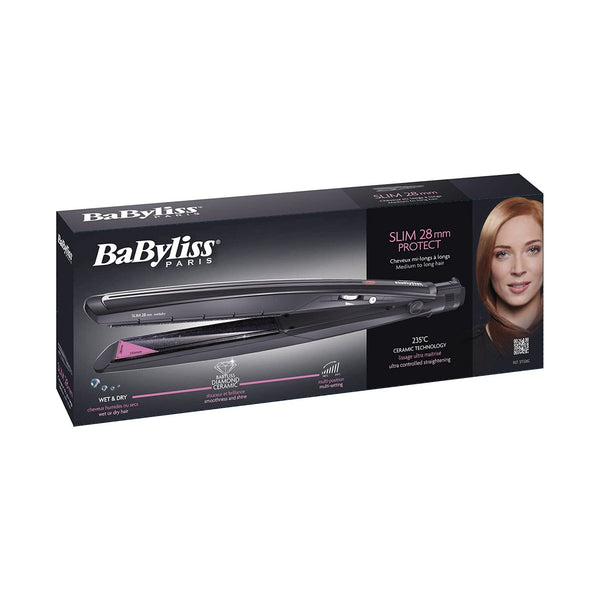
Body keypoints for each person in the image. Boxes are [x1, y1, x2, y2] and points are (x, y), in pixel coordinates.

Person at [473, 197, 543, 373]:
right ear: (486, 264)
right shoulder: (465, 352)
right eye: (502, 254)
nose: (518, 269)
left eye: (533, 250)